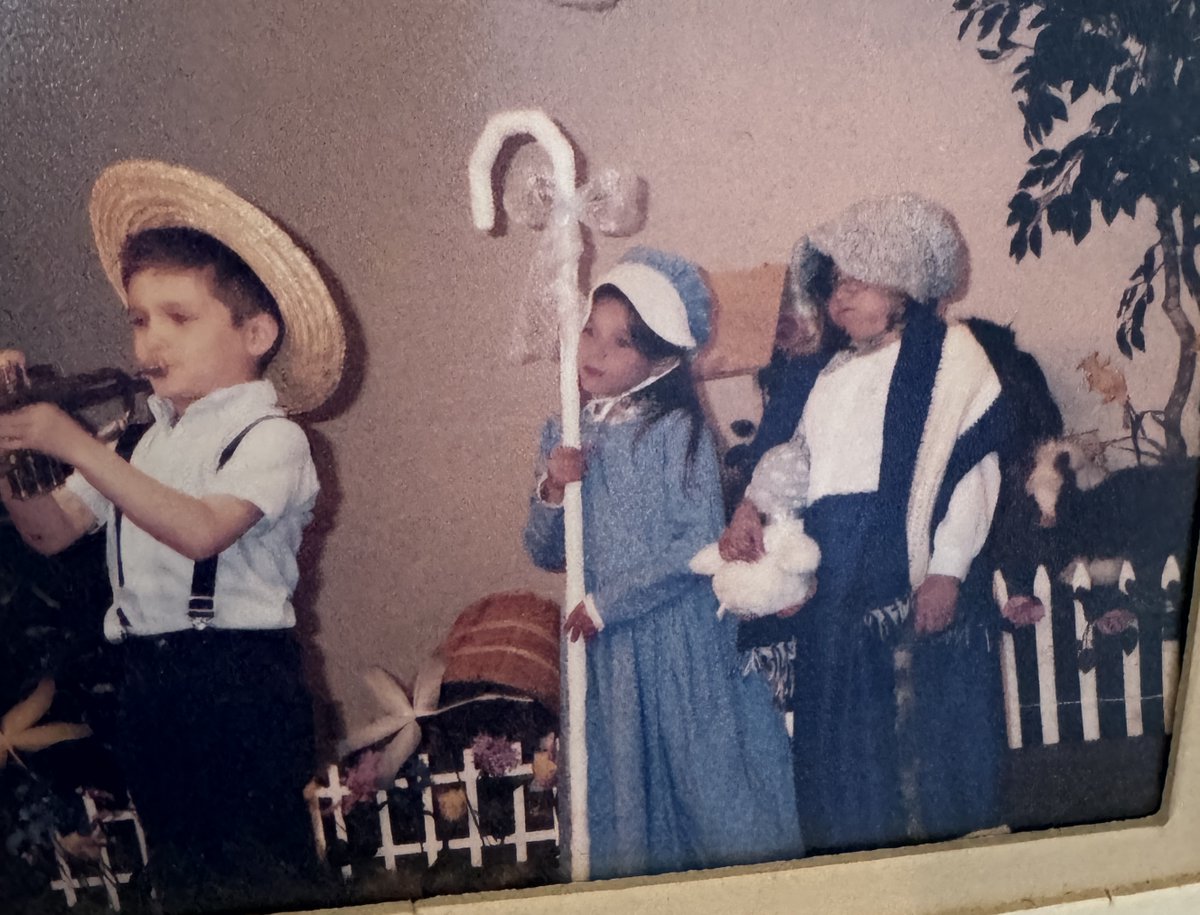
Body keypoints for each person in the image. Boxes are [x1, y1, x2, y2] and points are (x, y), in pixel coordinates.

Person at [0, 160, 345, 913]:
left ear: (256, 333)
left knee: (261, 879)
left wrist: (76, 444)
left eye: (179, 318)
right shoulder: (136, 438)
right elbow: (49, 530)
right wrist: (15, 448)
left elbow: (200, 531)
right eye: (139, 317)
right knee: (183, 881)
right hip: (152, 688)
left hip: (240, 684)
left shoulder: (273, 437)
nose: (150, 340)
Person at [721, 194, 1010, 854]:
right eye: (832, 289)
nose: (838, 300)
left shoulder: (949, 356)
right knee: (837, 743)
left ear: (904, 280)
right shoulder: (818, 373)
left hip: (898, 571)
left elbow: (970, 473)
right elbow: (783, 461)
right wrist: (751, 513)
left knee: (911, 748)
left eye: (856, 282)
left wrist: (947, 569)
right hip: (831, 579)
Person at [523, 247, 803, 879]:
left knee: (702, 791)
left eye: (620, 344)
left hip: (672, 641)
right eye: (591, 330)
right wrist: (551, 488)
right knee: (619, 796)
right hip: (602, 654)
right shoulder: (561, 431)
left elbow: (695, 548)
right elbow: (543, 550)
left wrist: (608, 603)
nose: (594, 351)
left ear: (660, 362)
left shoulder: (678, 435)